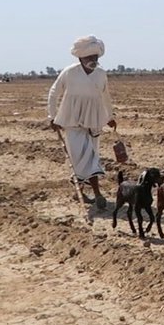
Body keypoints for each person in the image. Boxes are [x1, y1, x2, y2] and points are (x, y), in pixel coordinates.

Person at [47, 35, 116, 209]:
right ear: (80, 57)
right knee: (81, 156)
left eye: (95, 57)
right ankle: (98, 193)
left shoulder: (101, 74)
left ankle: (81, 189)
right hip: (71, 121)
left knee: (91, 154)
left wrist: (110, 117)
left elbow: (105, 96)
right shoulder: (70, 72)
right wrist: (52, 116)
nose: (92, 60)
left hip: (93, 120)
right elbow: (53, 93)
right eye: (89, 57)